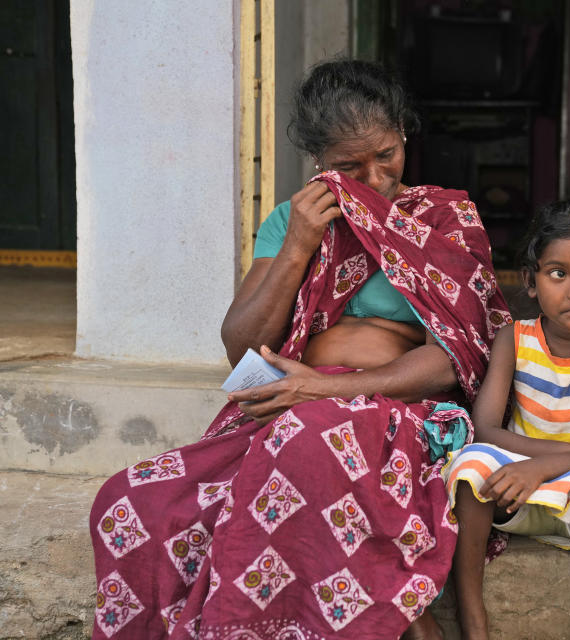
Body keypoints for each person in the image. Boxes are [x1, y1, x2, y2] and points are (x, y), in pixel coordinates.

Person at [88, 60, 511, 640]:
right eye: (348, 165)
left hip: (394, 412)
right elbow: (241, 347)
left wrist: (321, 387)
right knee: (132, 502)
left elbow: (457, 357)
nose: (375, 177)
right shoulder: (293, 221)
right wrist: (297, 246)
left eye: (386, 154)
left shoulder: (443, 221)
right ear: (317, 161)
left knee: (305, 442)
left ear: (404, 136)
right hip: (289, 408)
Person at [442, 198, 570, 640]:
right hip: (513, 487)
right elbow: (487, 428)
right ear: (531, 281)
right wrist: (537, 465)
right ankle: (471, 612)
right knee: (470, 466)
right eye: (559, 273)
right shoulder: (513, 339)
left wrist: (545, 465)